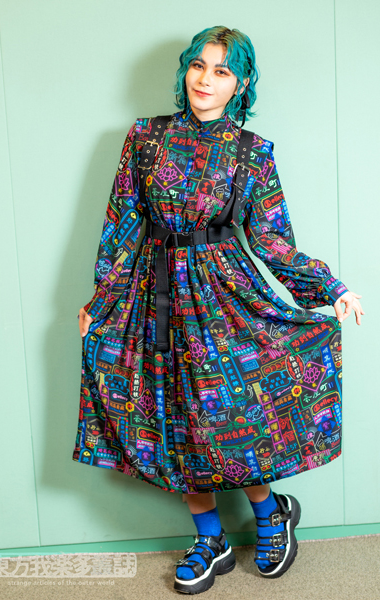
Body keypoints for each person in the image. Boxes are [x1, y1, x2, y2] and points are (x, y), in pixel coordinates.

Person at [73, 26, 364, 595]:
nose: (206, 80)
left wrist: (329, 288)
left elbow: (271, 239)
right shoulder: (145, 138)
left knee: (231, 415)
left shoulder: (252, 152)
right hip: (152, 296)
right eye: (198, 66)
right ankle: (210, 537)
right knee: (171, 416)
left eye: (222, 71)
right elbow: (122, 224)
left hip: (224, 296)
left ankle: (270, 512)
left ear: (241, 84)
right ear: (186, 69)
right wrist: (101, 301)